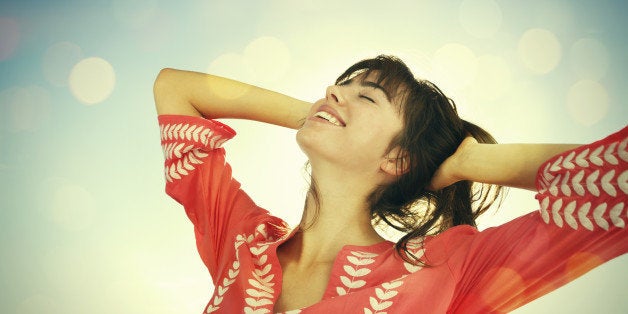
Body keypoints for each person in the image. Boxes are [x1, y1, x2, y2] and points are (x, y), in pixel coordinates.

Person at [153, 55, 627, 313]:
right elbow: (174, 86)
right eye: (340, 85)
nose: (333, 90)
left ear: (398, 157)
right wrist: (317, 114)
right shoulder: (242, 242)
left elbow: (618, 187)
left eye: (368, 96)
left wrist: (471, 161)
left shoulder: (444, 273)